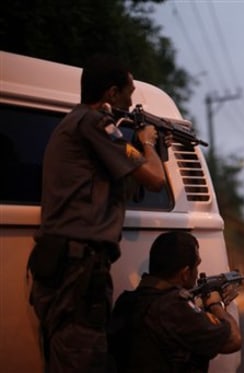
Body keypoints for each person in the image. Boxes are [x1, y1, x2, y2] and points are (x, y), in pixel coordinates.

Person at [27, 53, 168, 372]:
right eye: (129, 92)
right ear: (110, 93)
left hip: (63, 261)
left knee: (67, 354)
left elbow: (115, 184)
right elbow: (156, 179)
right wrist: (147, 142)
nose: (131, 102)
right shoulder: (96, 123)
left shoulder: (74, 124)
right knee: (82, 356)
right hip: (78, 266)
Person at [108, 231, 242, 373]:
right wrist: (215, 303)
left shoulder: (126, 301)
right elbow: (234, 339)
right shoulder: (175, 307)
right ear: (184, 273)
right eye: (196, 266)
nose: (197, 272)